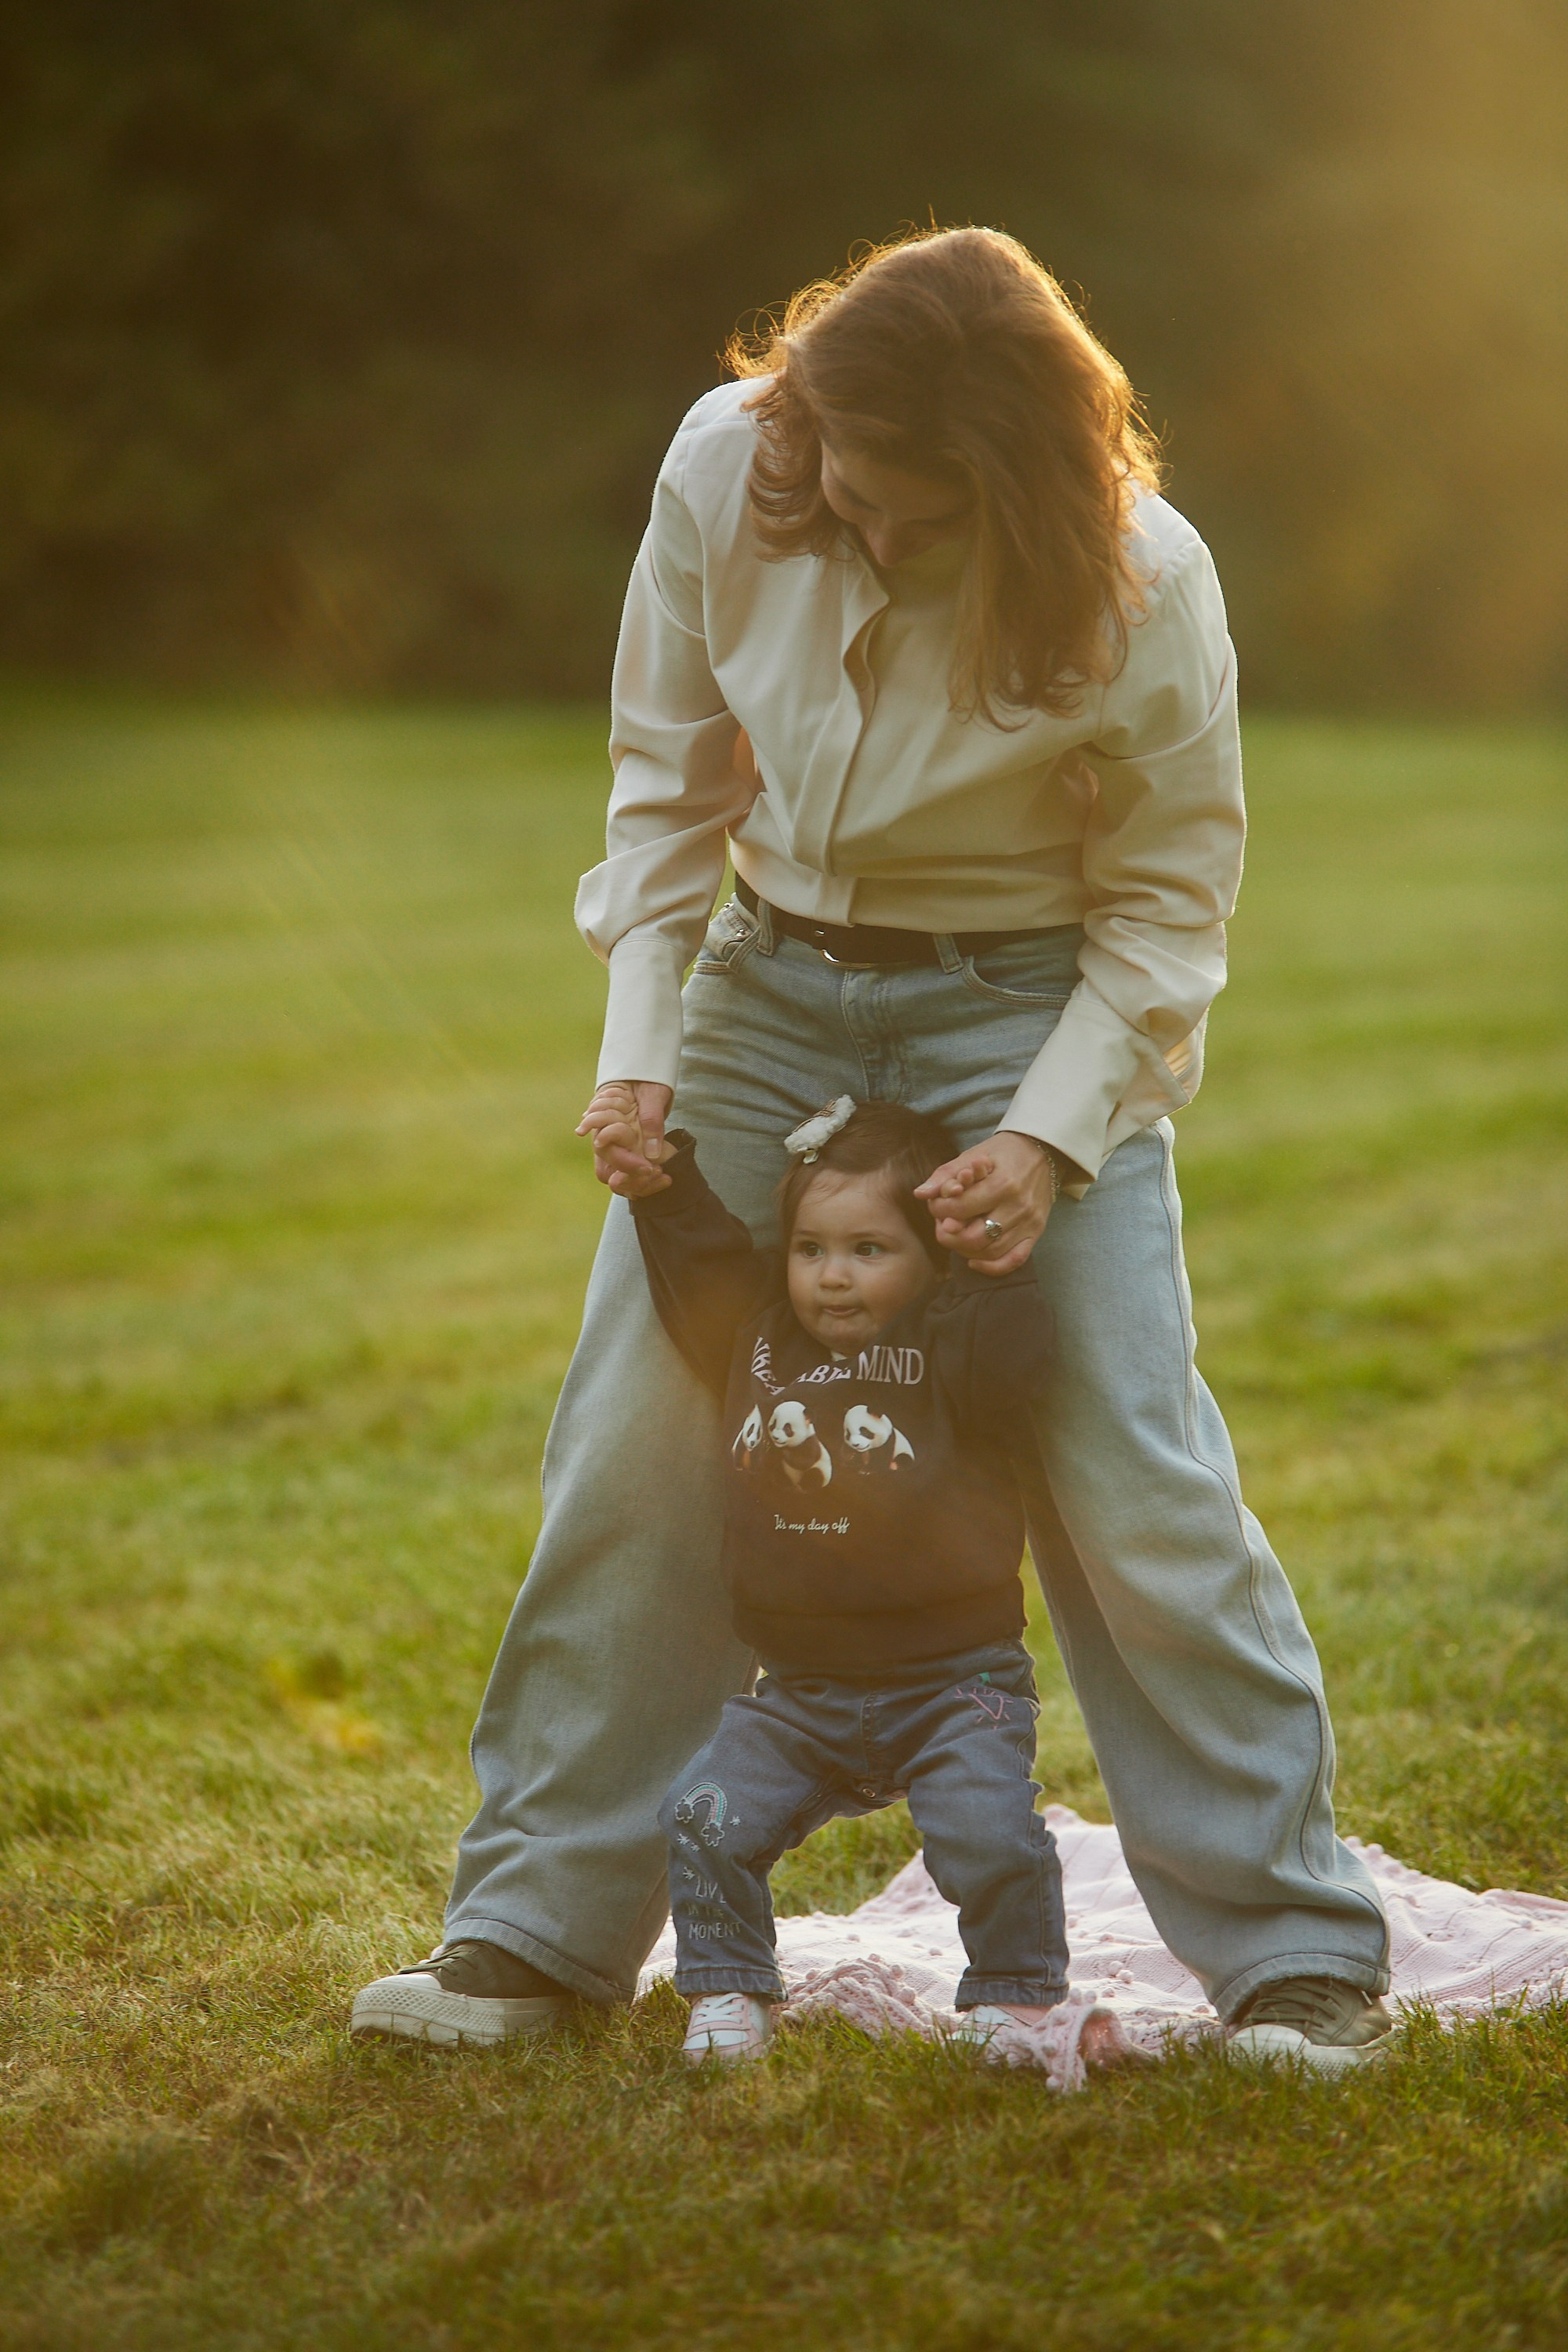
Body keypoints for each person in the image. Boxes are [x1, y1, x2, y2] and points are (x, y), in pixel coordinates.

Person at [352, 226, 1393, 2073]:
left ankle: (1295, 1958)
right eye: (854, 492)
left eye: (927, 518)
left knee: (1126, 1454)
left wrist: (1050, 1140)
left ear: (1024, 482)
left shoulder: (1145, 583)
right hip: (763, 984)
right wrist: (644, 1060)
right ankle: (533, 1936)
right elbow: (665, 787)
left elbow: (1164, 911)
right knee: (639, 1434)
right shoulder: (718, 465)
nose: (880, 537)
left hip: (1022, 1007)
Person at [630, 1096, 1069, 2064]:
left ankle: (1015, 1997)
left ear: (930, 1258)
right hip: (797, 1695)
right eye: (809, 1248)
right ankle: (729, 1988)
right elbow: (700, 1260)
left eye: (869, 1249)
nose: (832, 1277)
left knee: (985, 1835)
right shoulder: (754, 1342)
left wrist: (996, 1275)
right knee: (700, 1817)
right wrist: (661, 1180)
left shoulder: (951, 1341)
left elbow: (1017, 1368)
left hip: (956, 1684)